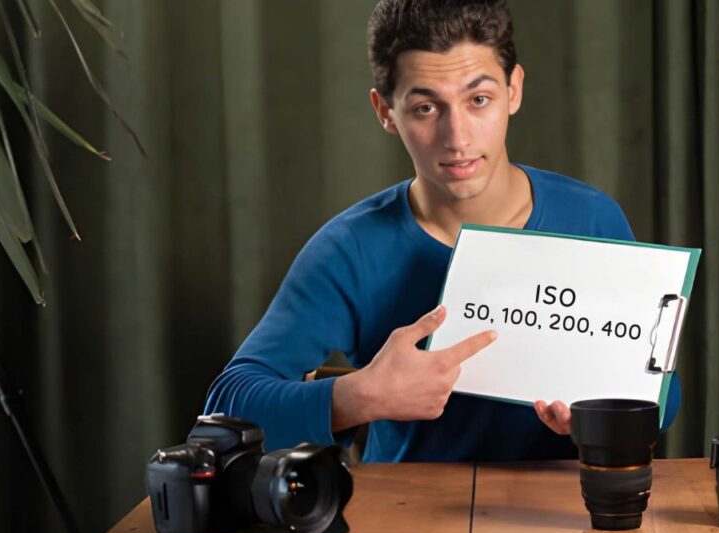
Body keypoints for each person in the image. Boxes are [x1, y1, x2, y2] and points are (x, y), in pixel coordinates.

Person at [204, 0, 680, 462]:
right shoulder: (349, 248)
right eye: (426, 108)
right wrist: (361, 395)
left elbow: (664, 395)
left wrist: (609, 415)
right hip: (407, 510)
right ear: (385, 111)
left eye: (479, 100)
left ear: (513, 90)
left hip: (565, 507)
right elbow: (226, 407)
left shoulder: (593, 220)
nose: (458, 138)